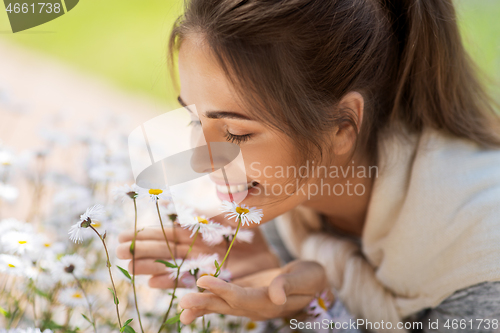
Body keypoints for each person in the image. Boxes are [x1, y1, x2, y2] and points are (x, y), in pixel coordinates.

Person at [116, 0, 500, 332]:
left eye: (234, 131)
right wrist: (292, 294)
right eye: (195, 120)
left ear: (342, 127)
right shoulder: (292, 211)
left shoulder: (481, 258)